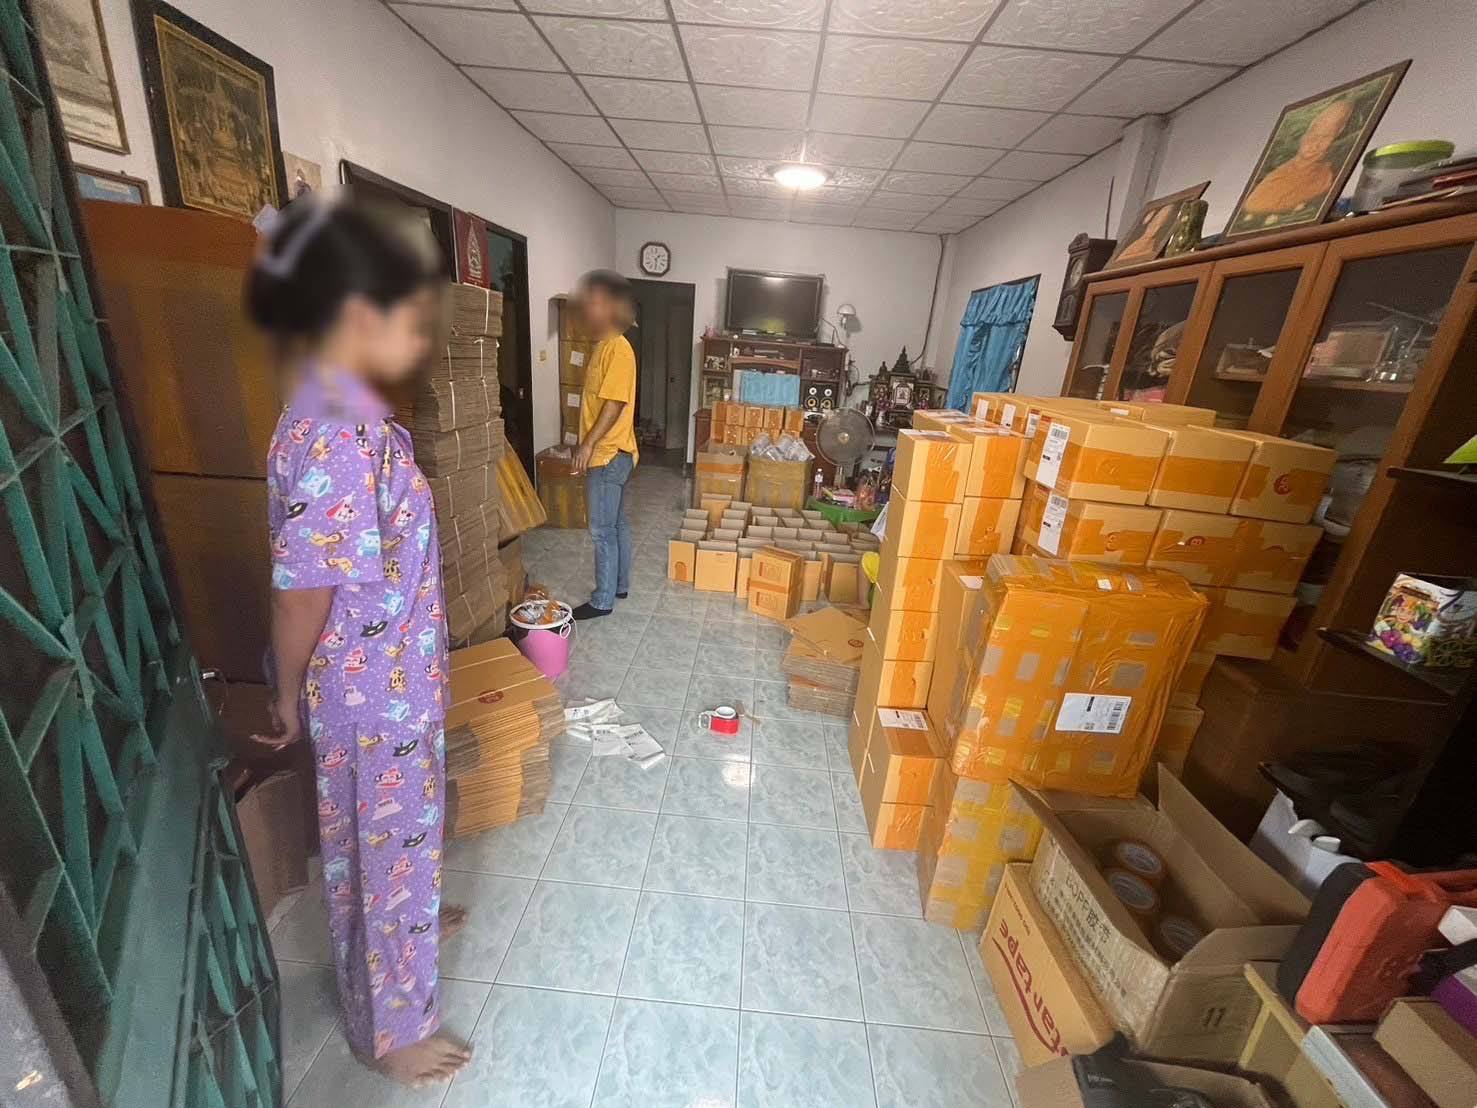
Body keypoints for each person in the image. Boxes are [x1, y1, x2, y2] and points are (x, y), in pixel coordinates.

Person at [246, 195, 471, 1087]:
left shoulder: (350, 413)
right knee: (379, 852)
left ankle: (407, 919)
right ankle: (392, 1028)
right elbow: (302, 590)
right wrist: (283, 690)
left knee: (393, 848)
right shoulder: (334, 432)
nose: (417, 340)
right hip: (368, 694)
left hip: (394, 681)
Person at [568, 269, 639, 620]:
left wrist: (587, 445)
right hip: (613, 453)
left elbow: (614, 403)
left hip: (608, 454)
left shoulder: (619, 349)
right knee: (617, 524)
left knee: (602, 531)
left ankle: (602, 600)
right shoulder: (603, 346)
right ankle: (619, 586)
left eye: (594, 303)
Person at [1242, 97, 1355, 222]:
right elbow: (1252, 205)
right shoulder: (1278, 172)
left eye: (1325, 137)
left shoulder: (1322, 178)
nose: (1315, 144)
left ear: (1335, 139)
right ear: (1304, 135)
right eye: (1313, 134)